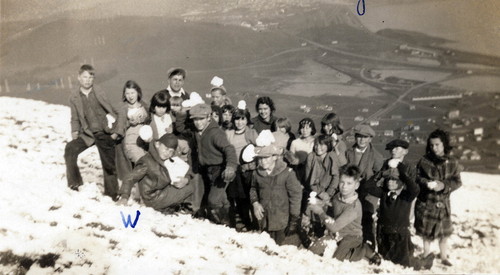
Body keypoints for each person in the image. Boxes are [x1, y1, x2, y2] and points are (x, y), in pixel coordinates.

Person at [363, 158, 434, 270]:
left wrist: (403, 174)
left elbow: (415, 189)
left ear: (401, 182)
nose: (390, 182)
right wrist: (381, 174)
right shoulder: (384, 193)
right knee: (386, 261)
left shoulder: (406, 195)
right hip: (383, 233)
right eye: (388, 180)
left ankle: (425, 262)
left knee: (404, 264)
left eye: (394, 180)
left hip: (400, 235)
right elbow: (367, 186)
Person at [64, 64, 120, 200]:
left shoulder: (99, 92)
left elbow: (113, 110)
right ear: (78, 78)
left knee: (108, 163)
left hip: (103, 132)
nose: (87, 80)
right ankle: (75, 183)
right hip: (87, 135)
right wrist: (74, 134)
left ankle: (112, 194)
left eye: (90, 77)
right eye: (84, 77)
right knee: (70, 149)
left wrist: (115, 130)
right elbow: (75, 118)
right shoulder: (74, 97)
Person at [176, 103, 238, 225]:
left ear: (209, 117)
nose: (198, 122)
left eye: (201, 119)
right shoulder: (196, 131)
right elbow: (180, 128)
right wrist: (182, 113)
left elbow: (229, 149)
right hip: (206, 170)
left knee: (213, 201)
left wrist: (230, 167)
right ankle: (230, 220)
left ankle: (226, 223)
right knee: (220, 198)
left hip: (220, 170)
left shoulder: (216, 133)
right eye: (195, 119)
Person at [307, 165, 381, 265]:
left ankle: (364, 250)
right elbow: (333, 206)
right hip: (337, 232)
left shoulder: (354, 207)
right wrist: (320, 203)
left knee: (337, 259)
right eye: (342, 182)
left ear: (356, 185)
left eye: (349, 183)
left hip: (351, 235)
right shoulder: (338, 196)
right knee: (312, 251)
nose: (344, 186)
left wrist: (319, 212)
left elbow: (334, 227)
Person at [120, 134, 202, 213]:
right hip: (153, 198)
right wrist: (124, 197)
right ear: (157, 144)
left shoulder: (168, 158)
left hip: (163, 192)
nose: (167, 153)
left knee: (189, 182)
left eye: (171, 151)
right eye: (166, 149)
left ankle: (176, 207)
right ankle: (186, 208)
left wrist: (186, 179)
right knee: (190, 187)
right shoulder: (146, 162)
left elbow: (186, 169)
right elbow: (129, 178)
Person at [415, 129, 462, 267]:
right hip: (427, 202)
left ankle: (443, 256)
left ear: (444, 145)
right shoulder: (424, 161)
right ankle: (426, 254)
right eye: (431, 145)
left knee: (443, 233)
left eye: (437, 145)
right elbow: (417, 177)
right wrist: (425, 183)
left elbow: (457, 181)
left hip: (443, 204)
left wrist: (444, 185)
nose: (434, 148)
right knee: (426, 232)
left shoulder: (452, 162)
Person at [247, 132, 303, 245]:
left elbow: (296, 196)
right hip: (264, 220)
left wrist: (294, 219)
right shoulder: (257, 173)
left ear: (275, 157)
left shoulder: (287, 173)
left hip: (282, 221)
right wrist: (255, 203)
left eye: (266, 157)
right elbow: (253, 188)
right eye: (260, 158)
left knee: (281, 249)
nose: (263, 162)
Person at [345, 124, 383, 248]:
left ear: (370, 139)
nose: (362, 140)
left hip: (368, 193)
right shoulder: (348, 153)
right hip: (352, 192)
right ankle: (351, 243)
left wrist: (368, 184)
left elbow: (379, 176)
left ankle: (369, 246)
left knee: (366, 219)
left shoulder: (376, 156)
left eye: (365, 137)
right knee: (350, 217)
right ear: (355, 138)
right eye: (359, 137)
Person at [225, 100, 259, 230]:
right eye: (237, 119)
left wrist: (252, 163)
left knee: (248, 197)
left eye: (243, 119)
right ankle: (243, 221)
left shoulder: (250, 133)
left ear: (247, 120)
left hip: (248, 170)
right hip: (235, 169)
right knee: (236, 197)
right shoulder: (229, 133)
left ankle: (254, 224)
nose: (240, 122)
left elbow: (259, 148)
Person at [303, 134, 341, 237]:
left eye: (321, 145)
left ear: (328, 145)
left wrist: (329, 193)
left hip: (330, 194)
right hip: (314, 192)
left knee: (330, 220)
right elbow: (309, 180)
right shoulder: (311, 157)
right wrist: (321, 193)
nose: (318, 147)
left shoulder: (332, 156)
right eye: (316, 145)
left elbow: (336, 177)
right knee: (315, 220)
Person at [114, 80, 150, 164]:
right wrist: (129, 123)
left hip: (145, 142)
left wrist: (144, 119)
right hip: (131, 143)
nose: (130, 96)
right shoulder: (123, 108)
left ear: (138, 92)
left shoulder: (145, 105)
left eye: (132, 93)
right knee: (144, 163)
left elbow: (150, 121)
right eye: (127, 93)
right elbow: (119, 128)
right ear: (124, 94)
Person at [288, 118, 316, 184]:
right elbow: (291, 159)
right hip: (299, 173)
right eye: (302, 128)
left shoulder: (316, 142)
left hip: (313, 172)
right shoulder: (295, 142)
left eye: (307, 128)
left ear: (312, 129)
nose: (304, 130)